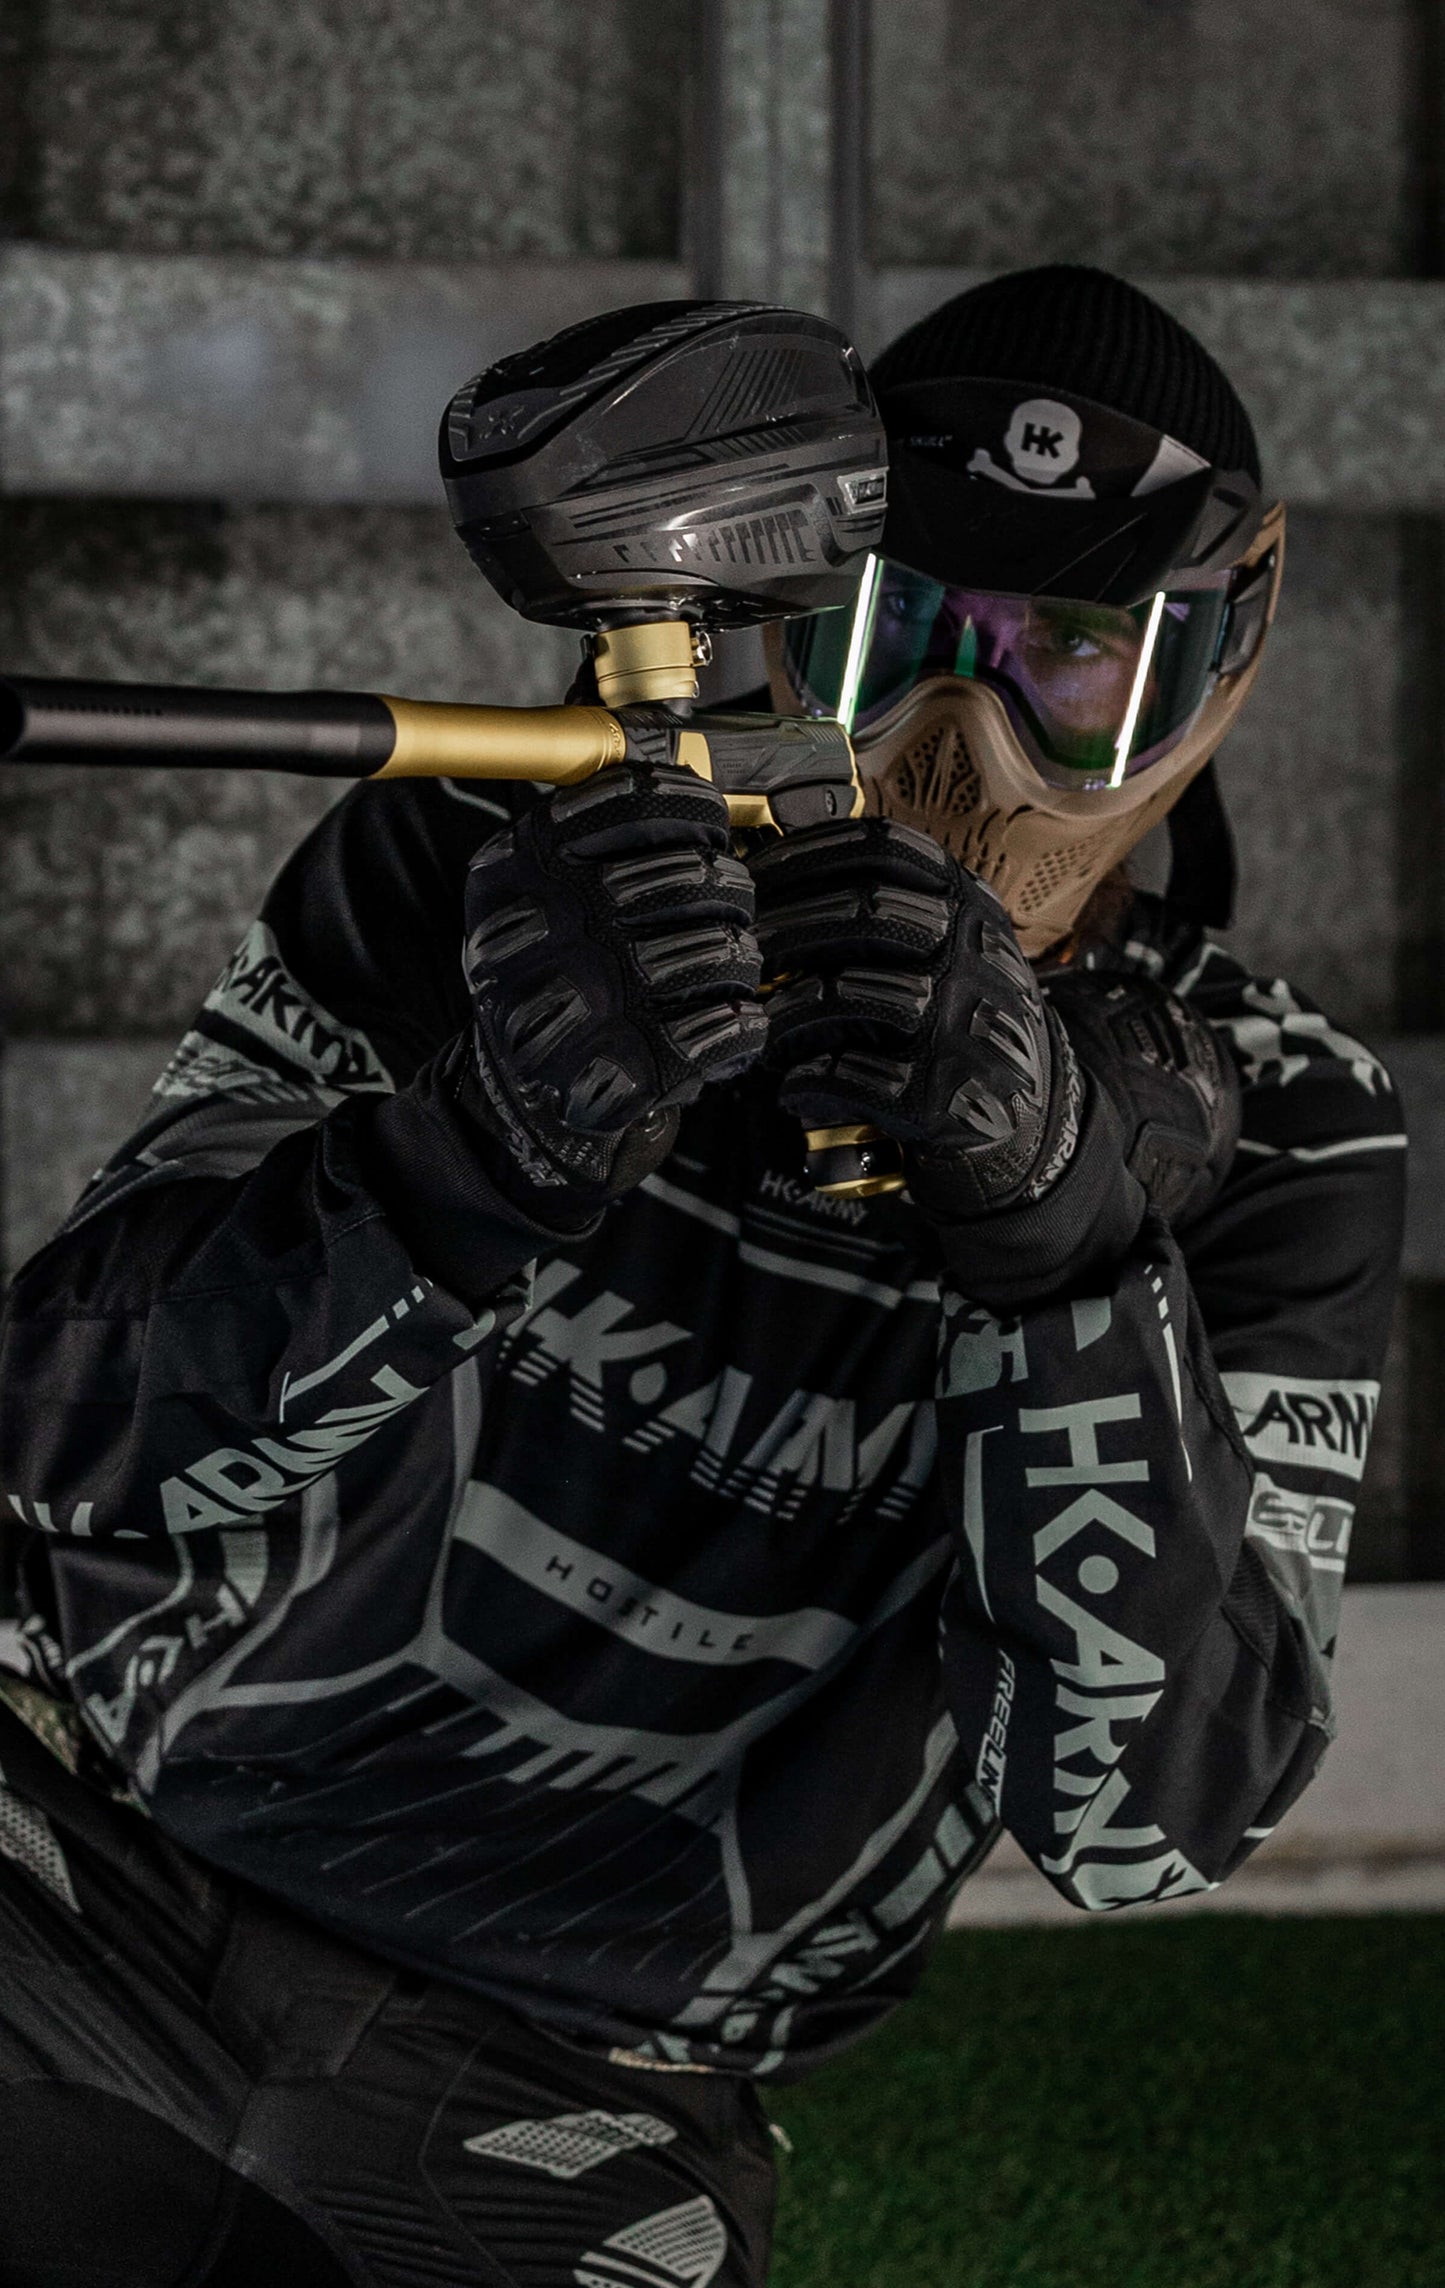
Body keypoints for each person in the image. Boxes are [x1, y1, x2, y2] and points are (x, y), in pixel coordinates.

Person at [0, 266, 1405, 2286]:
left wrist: (1066, 1249)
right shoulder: (493, 861)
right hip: (76, 1859)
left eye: (1068, 660)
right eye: (894, 632)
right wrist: (477, 1150)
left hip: (572, 2081)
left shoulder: (1278, 1129)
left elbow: (1148, 1822)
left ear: (1215, 675)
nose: (956, 746)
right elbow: (65, 1433)